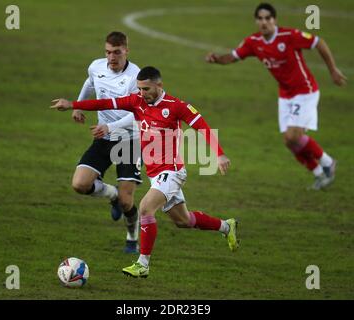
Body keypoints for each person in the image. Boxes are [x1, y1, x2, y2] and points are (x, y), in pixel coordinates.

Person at [50, 66, 239, 278]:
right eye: (139, 89)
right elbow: (105, 103)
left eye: (146, 89)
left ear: (159, 85)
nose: (142, 93)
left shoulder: (176, 106)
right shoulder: (137, 102)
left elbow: (202, 126)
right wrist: (73, 104)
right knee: (183, 221)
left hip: (172, 171)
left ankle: (143, 264)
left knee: (146, 209)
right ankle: (226, 226)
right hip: (154, 174)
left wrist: (219, 154)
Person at [205, 3, 347, 190]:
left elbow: (318, 42)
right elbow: (233, 56)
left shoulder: (289, 36)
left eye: (267, 18)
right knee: (289, 141)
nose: (264, 22)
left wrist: (333, 70)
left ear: (274, 20)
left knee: (293, 135)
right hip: (285, 94)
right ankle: (319, 174)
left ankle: (328, 162)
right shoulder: (253, 42)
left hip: (305, 90)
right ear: (256, 21)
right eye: (260, 19)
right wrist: (217, 59)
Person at [71, 31, 142, 253]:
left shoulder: (135, 77)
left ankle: (132, 238)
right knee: (80, 184)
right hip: (104, 138)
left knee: (126, 202)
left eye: (117, 53)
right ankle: (111, 195)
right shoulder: (96, 66)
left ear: (126, 51)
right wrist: (79, 105)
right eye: (108, 52)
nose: (112, 57)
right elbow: (89, 82)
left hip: (128, 141)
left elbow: (138, 115)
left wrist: (109, 126)